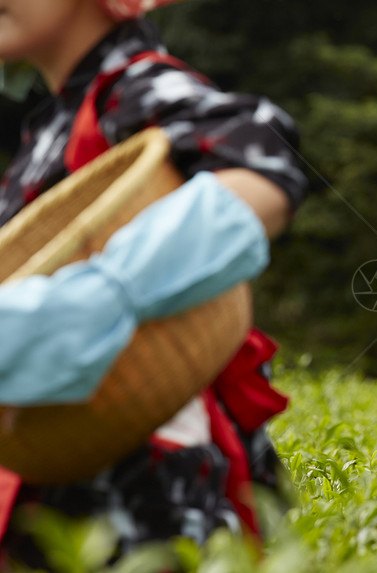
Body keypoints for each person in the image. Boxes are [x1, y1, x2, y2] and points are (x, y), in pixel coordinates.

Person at [0, 0, 307, 565]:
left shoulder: (137, 87)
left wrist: (98, 298)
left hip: (143, 480)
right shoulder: (47, 124)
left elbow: (263, 157)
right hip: (57, 464)